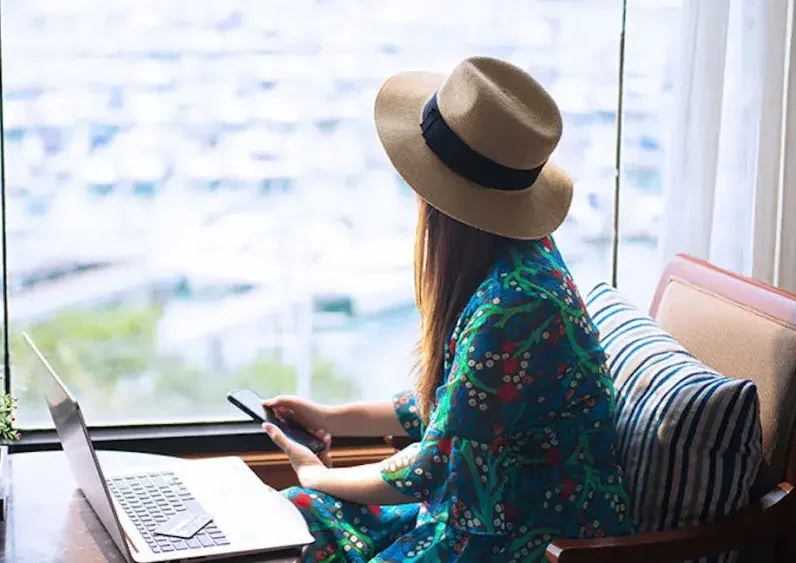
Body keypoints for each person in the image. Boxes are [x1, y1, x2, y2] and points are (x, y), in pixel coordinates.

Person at [260, 56, 636, 562]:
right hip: (474, 510)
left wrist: (317, 473)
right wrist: (331, 416)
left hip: (520, 536)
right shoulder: (520, 259)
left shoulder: (515, 309)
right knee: (291, 518)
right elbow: (451, 407)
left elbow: (430, 468)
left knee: (301, 522)